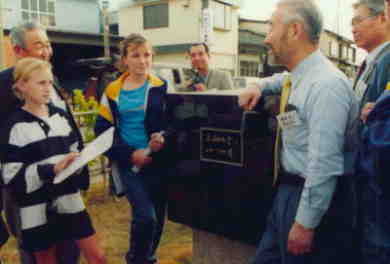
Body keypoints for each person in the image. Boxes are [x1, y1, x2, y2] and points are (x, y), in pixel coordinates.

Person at [239, 0, 358, 263]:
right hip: (288, 193)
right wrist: (259, 85)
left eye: (271, 26)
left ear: (294, 30)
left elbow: (324, 163)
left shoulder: (327, 86)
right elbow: (283, 80)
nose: (267, 37)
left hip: (314, 201)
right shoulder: (300, 76)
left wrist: (306, 223)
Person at [0, 57, 106, 264]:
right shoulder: (13, 127)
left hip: (68, 196)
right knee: (46, 260)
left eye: (49, 82)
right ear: (21, 86)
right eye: (41, 83)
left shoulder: (61, 117)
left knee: (98, 257)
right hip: (34, 205)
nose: (48, 88)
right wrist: (51, 170)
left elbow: (75, 148)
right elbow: (10, 175)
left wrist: (76, 161)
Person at [0, 21, 85, 264]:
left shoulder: (50, 78)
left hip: (64, 182)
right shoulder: (3, 85)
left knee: (70, 249)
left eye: (48, 44)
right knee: (37, 252)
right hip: (29, 188)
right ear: (17, 51)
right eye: (39, 45)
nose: (46, 51)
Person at [95, 33, 169, 264]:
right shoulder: (112, 91)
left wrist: (163, 138)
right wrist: (129, 154)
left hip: (157, 163)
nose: (142, 61)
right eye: (135, 55)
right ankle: (136, 260)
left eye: (146, 55)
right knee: (145, 218)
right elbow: (102, 131)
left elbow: (175, 122)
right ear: (125, 60)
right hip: (130, 165)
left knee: (157, 220)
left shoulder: (162, 86)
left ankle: (148, 258)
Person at [351, 1, 390, 263]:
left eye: (359, 20)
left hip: (376, 183)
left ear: (382, 19)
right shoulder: (370, 62)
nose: (352, 27)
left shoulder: (387, 61)